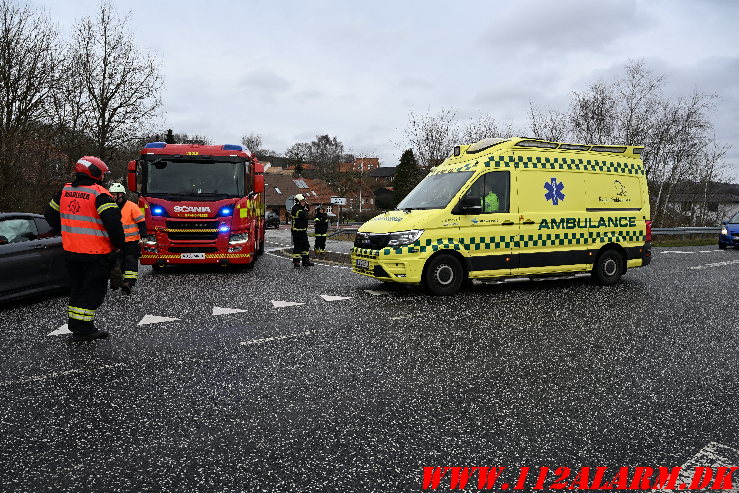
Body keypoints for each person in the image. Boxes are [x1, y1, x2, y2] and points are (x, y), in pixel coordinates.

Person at [44, 156, 124, 341]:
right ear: (95, 173)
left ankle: (75, 325)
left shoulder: (64, 192)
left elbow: (49, 216)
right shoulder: (100, 194)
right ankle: (85, 329)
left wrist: (66, 231)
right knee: (93, 291)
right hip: (96, 254)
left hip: (71, 252)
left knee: (78, 289)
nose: (103, 177)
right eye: (102, 174)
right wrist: (119, 245)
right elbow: (113, 224)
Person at [109, 183, 146, 294]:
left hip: (131, 241)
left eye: (114, 194)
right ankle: (118, 281)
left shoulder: (132, 206)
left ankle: (128, 283)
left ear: (121, 194)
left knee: (130, 262)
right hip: (116, 241)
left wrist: (143, 236)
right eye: (111, 194)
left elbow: (141, 222)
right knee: (117, 263)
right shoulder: (109, 206)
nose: (113, 196)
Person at [290, 194, 314, 268]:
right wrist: (306, 209)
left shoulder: (302, 208)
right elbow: (303, 215)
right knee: (297, 246)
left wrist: (306, 208)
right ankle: (296, 262)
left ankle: (305, 261)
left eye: (304, 201)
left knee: (305, 246)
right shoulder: (295, 209)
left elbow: (306, 215)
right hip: (296, 231)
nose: (304, 203)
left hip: (303, 231)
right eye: (302, 201)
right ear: (298, 202)